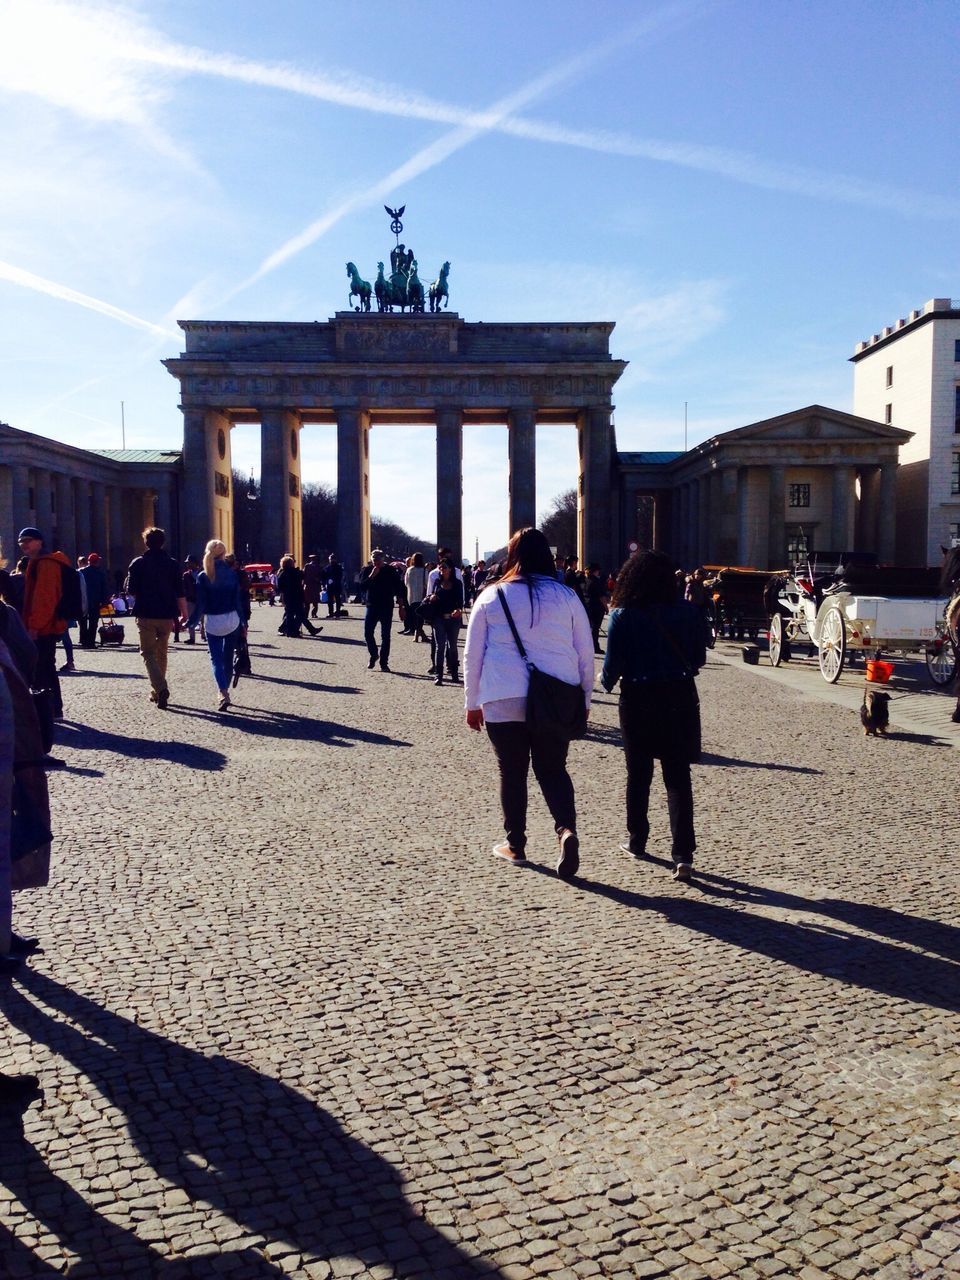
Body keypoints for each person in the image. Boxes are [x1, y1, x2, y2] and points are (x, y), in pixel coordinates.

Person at [464, 527, 594, 880]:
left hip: (502, 694)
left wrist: (472, 702)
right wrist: (585, 697)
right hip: (555, 696)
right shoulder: (567, 596)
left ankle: (516, 845)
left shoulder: (492, 596)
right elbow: (586, 651)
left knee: (512, 770)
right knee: (553, 769)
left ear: (513, 556)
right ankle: (565, 830)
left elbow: (473, 654)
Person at [600, 549, 706, 883]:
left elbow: (611, 670)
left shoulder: (623, 615)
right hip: (678, 694)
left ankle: (637, 840)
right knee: (677, 776)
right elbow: (699, 658)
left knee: (639, 774)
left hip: (638, 698)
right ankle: (683, 854)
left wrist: (604, 683)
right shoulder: (689, 612)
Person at [126, 528, 187, 710]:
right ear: (163, 542)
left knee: (148, 653)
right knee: (161, 652)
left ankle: (160, 689)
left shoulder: (137, 563)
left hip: (145, 614)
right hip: (167, 615)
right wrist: (184, 613)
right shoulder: (173, 564)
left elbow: (131, 590)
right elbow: (180, 591)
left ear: (146, 542)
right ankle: (156, 692)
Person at [18, 528, 70, 721]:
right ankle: (51, 709)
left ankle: (50, 710)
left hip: (43, 626)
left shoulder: (46, 564)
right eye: (21, 541)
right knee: (45, 666)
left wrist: (34, 626)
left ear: (40, 542)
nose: (24, 544)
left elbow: (45, 598)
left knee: (43, 667)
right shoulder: (39, 562)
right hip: (46, 624)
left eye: (28, 540)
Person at [195, 540, 247, 712]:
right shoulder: (232, 574)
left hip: (213, 621)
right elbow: (237, 601)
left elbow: (200, 604)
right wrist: (244, 622)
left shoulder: (203, 575)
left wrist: (192, 621)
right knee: (227, 657)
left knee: (216, 659)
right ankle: (225, 689)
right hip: (231, 619)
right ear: (224, 554)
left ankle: (223, 692)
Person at [360, 549, 406, 671]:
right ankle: (374, 654)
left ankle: (384, 662)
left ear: (383, 559)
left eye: (378, 560)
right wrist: (371, 576)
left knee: (385, 636)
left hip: (386, 606)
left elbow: (399, 589)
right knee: (368, 633)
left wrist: (401, 607)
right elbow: (362, 587)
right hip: (372, 605)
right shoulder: (367, 570)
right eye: (374, 560)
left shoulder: (391, 571)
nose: (376, 563)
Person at [428, 558, 463, 685]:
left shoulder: (458, 583)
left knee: (452, 646)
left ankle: (454, 673)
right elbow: (431, 595)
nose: (442, 570)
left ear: (450, 569)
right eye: (440, 567)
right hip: (439, 617)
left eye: (444, 567)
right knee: (440, 647)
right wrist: (432, 597)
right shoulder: (437, 582)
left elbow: (460, 600)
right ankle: (439, 675)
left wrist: (458, 609)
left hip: (453, 618)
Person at [78, 552, 109, 649]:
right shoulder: (100, 573)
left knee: (82, 621)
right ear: (97, 562)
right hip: (95, 600)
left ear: (89, 561)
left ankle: (83, 640)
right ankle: (91, 642)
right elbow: (104, 588)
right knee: (93, 622)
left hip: (82, 599)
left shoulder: (81, 571)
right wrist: (105, 601)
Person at [584, 563, 609, 655]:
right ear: (595, 571)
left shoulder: (586, 580)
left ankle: (589, 646)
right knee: (595, 628)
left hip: (588, 605)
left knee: (590, 627)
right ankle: (595, 647)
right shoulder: (596, 582)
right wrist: (606, 608)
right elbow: (601, 596)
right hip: (597, 607)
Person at [403, 553, 428, 641]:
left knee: (414, 615)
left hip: (411, 596)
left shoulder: (409, 570)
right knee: (420, 616)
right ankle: (419, 634)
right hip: (421, 596)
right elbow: (426, 584)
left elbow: (406, 583)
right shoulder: (424, 570)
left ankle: (418, 635)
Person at [322, 553, 345, 618]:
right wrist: (325, 583)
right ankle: (331, 613)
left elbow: (340, 576)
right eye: (330, 559)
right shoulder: (327, 568)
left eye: (332, 559)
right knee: (330, 600)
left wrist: (333, 580)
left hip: (337, 585)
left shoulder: (339, 567)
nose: (332, 560)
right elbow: (324, 576)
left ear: (335, 560)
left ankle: (338, 612)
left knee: (338, 600)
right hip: (330, 586)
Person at [303, 554, 323, 619]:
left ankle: (306, 614)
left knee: (307, 601)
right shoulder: (318, 567)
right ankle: (313, 614)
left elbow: (304, 575)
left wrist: (303, 584)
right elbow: (321, 576)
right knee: (315, 601)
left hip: (309, 585)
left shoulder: (307, 566)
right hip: (315, 585)